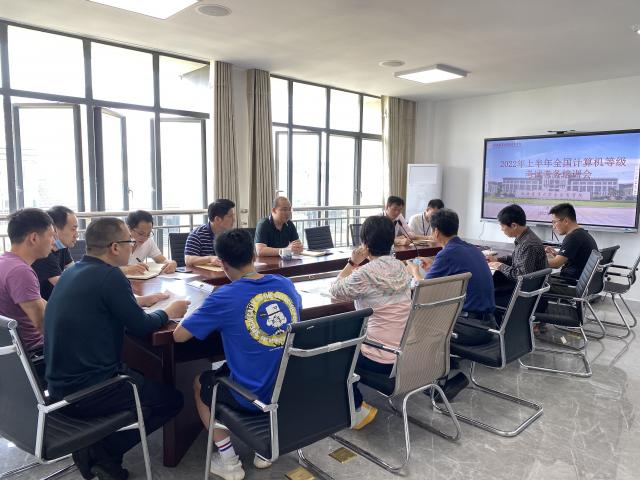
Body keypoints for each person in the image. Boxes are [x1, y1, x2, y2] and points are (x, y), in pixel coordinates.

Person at [44, 217, 188, 480]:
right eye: (130, 241)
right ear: (114, 247)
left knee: (143, 374)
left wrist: (141, 301)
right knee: (172, 400)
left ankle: (99, 449)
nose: (132, 246)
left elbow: (105, 306)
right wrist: (169, 311)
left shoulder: (73, 272)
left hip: (58, 389)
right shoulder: (110, 275)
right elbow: (142, 326)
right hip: (90, 391)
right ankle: (101, 452)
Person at [174, 229, 302, 480]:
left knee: (200, 383)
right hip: (288, 387)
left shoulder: (224, 296)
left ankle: (229, 461)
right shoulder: (284, 284)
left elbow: (179, 336)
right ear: (254, 255)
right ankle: (265, 449)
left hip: (251, 396)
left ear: (222, 263)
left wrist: (199, 306)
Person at [329, 215, 412, 430]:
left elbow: (335, 292)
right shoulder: (402, 267)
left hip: (379, 357)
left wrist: (352, 263)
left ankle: (357, 409)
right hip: (407, 353)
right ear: (392, 240)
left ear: (364, 244)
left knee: (332, 355)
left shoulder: (365, 273)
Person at [407, 208, 495, 399]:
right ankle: (449, 369)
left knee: (419, 323)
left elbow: (423, 290)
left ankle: (439, 383)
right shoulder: (472, 249)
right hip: (488, 325)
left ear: (436, 232)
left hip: (470, 329)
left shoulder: (447, 254)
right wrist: (433, 266)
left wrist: (414, 271)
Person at [0, 208, 54, 352]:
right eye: (51, 236)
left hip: (13, 354)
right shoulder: (20, 272)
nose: (53, 242)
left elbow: (41, 304)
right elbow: (42, 323)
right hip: (36, 353)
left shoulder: (5, 262)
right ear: (34, 238)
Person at [488, 204, 547, 306]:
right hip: (528, 289)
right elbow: (518, 259)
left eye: (502, 226)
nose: (501, 229)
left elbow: (520, 276)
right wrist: (498, 260)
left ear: (514, 226)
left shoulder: (528, 244)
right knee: (493, 284)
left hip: (528, 296)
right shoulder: (525, 237)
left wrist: (499, 265)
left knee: (486, 296)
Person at [31, 205, 78, 300]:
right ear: (54, 229)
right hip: (45, 304)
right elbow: (65, 286)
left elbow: (74, 271)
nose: (76, 234)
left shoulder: (62, 247)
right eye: (73, 229)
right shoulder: (44, 254)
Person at [545, 203, 598, 284]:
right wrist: (557, 255)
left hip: (571, 283)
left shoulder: (573, 237)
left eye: (554, 222)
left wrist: (535, 261)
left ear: (566, 221)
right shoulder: (581, 233)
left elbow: (556, 264)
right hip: (580, 280)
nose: (553, 227)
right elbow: (575, 260)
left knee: (538, 284)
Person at [122, 210, 177, 276]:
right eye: (141, 233)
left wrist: (171, 263)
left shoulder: (148, 241)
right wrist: (126, 269)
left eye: (148, 234)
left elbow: (161, 260)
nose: (145, 238)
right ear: (129, 228)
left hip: (137, 281)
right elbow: (110, 269)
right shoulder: (117, 243)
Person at [185, 199, 236, 268]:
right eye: (230, 216)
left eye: (233, 215)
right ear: (217, 219)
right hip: (204, 274)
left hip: (226, 271)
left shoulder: (230, 234)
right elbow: (188, 260)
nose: (234, 219)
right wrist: (210, 259)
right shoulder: (197, 235)